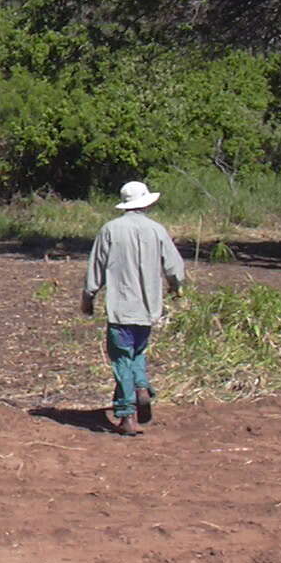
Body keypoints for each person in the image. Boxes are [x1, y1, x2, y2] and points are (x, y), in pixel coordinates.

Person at [82, 179, 186, 435]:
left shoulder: (110, 230)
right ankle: (141, 387)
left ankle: (127, 414)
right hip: (148, 309)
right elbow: (174, 266)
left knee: (121, 360)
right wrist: (176, 287)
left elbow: (96, 268)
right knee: (138, 352)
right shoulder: (157, 230)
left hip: (120, 309)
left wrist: (88, 296)